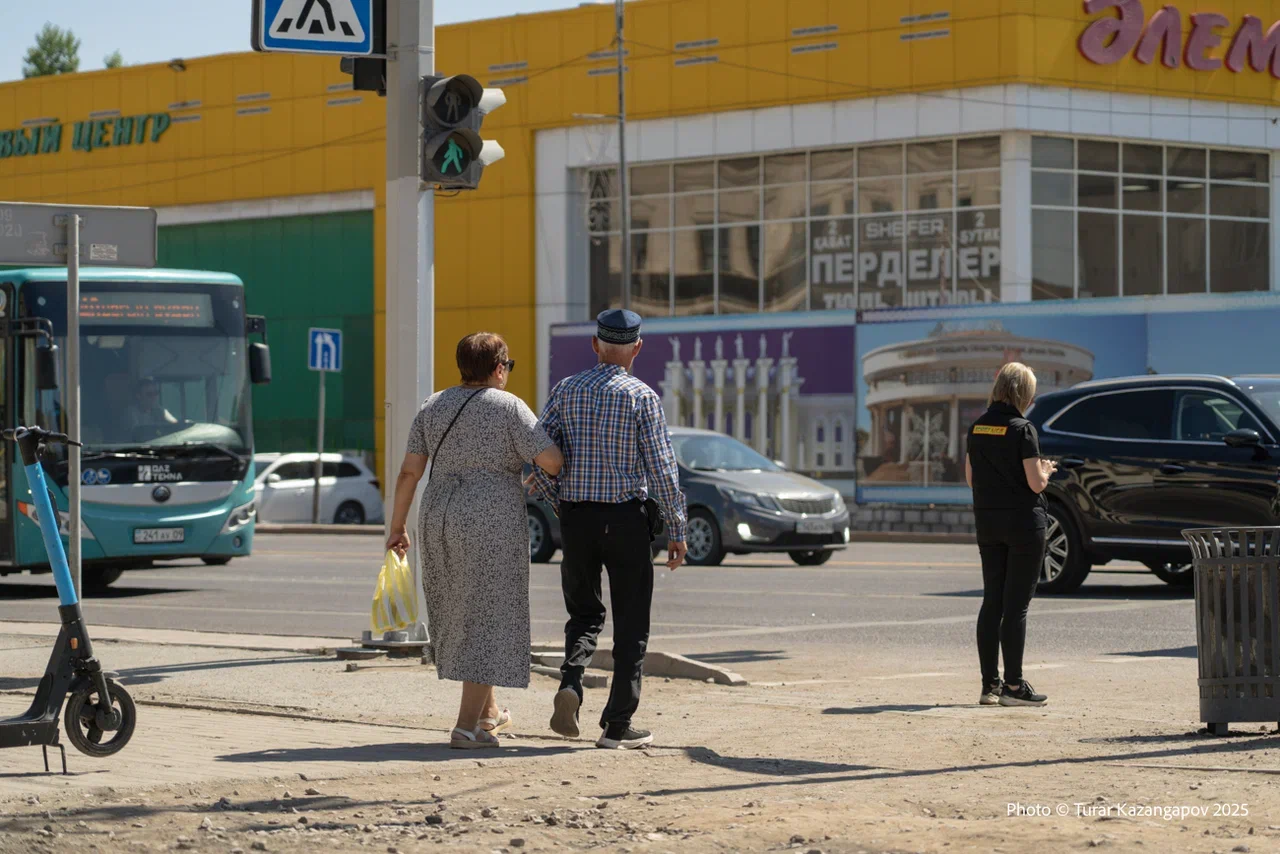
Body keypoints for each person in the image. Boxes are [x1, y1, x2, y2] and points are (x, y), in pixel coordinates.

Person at [386, 333, 563, 749]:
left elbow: (409, 473)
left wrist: (398, 526)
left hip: (438, 515)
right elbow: (551, 462)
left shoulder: (433, 405)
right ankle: (466, 726)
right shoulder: (508, 407)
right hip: (490, 519)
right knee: (490, 615)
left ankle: (488, 714)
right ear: (499, 367)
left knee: (463, 608)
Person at [530, 309, 688, 750]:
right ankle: (616, 725)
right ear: (637, 348)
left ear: (595, 346)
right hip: (626, 521)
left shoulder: (566, 389)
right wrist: (677, 527)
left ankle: (572, 683)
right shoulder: (642, 397)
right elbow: (662, 469)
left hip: (576, 519)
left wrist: (553, 495)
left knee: (583, 614)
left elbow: (542, 453)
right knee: (632, 622)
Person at [965, 362, 1057, 708]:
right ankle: (1015, 688)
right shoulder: (1023, 429)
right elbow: (1034, 483)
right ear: (1024, 393)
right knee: (1015, 607)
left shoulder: (978, 427)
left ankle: (990, 685)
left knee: (992, 602)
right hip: (1023, 525)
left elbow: (972, 479)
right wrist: (1046, 472)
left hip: (988, 523)